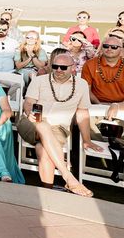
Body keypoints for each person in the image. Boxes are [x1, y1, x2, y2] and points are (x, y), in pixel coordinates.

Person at [17, 52, 100, 197]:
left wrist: (87, 140)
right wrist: (29, 111)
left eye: (63, 67)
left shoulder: (81, 85)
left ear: (73, 67)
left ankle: (47, 192)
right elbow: (28, 102)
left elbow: (82, 113)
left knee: (42, 149)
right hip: (31, 123)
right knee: (42, 125)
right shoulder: (40, 80)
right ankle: (68, 177)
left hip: (59, 128)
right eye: (55, 66)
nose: (59, 70)